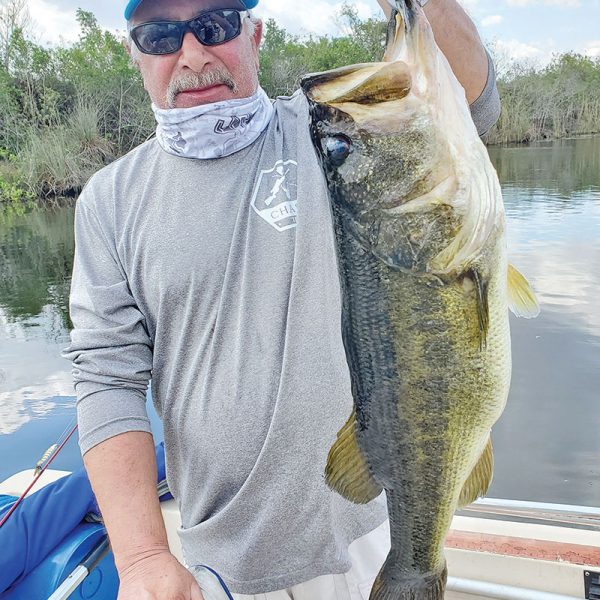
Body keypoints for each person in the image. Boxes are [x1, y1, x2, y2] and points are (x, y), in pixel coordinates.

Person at [63, 0, 501, 598]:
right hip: (224, 563)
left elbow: (472, 94)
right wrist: (141, 559)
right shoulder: (108, 202)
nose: (191, 55)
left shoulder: (341, 134)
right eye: (161, 37)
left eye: (215, 26)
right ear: (135, 54)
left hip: (374, 527)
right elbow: (107, 379)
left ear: (255, 35)